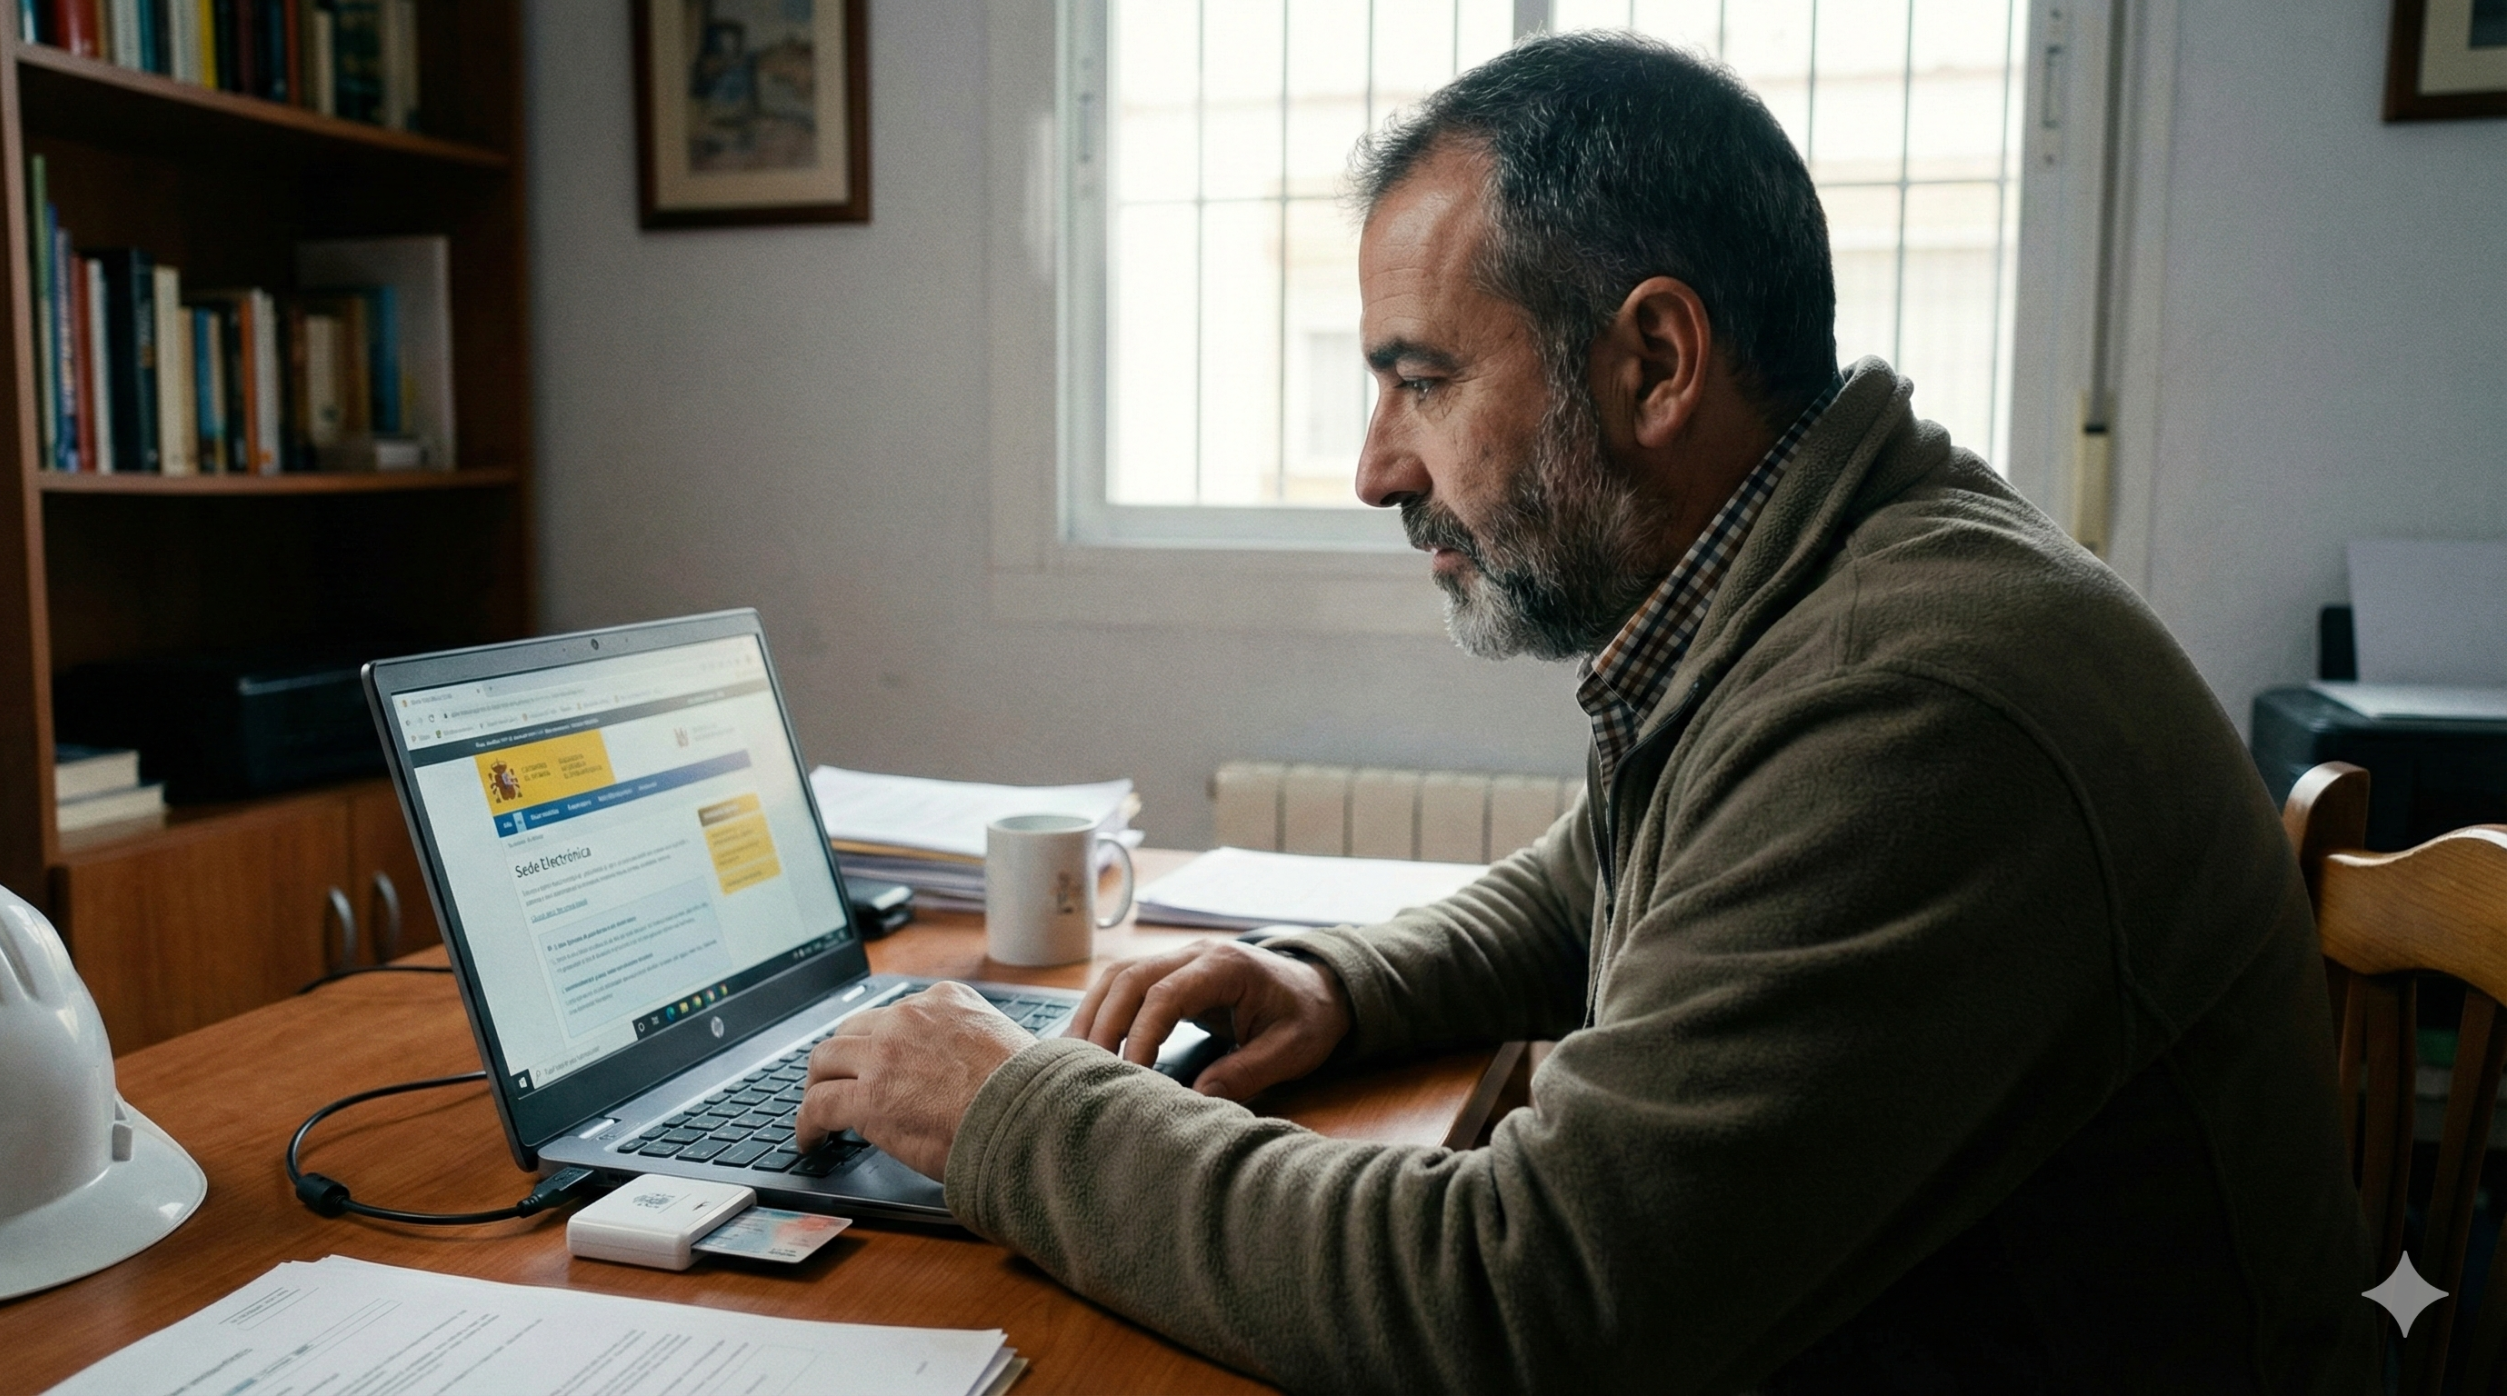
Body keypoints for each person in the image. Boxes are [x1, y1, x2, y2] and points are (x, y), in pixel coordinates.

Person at [793, 32, 2375, 1392]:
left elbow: (1519, 1308)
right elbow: (1601, 875)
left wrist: (1016, 1111)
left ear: (1657, 362)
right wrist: (1334, 983)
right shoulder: (1830, 576)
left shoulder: (1913, 707)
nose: (1375, 468)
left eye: (1422, 379)